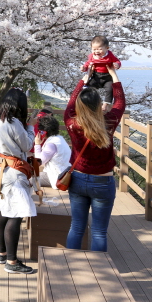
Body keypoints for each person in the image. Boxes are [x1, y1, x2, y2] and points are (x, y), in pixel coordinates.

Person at [64, 64, 125, 252]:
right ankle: (99, 272)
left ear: (79, 106)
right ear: (100, 104)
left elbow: (71, 102)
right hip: (103, 181)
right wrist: (113, 74)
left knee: (77, 227)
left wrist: (85, 77)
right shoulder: (109, 121)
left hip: (79, 179)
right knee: (99, 232)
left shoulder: (72, 122)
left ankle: (72, 266)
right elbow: (120, 102)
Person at [0, 88, 37, 274]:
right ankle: (12, 262)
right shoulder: (14, 122)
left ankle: (2, 254)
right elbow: (27, 145)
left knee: (3, 211)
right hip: (13, 172)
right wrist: (31, 127)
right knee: (16, 214)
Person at [81, 35, 122, 113]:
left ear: (107, 48)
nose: (96, 51)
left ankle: (106, 104)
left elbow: (117, 61)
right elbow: (87, 64)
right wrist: (84, 68)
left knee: (110, 89)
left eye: (99, 49)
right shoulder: (92, 56)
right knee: (89, 87)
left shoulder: (110, 55)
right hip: (96, 76)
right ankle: (92, 102)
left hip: (107, 77)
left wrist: (117, 65)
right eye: (94, 49)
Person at [33, 116, 71, 189]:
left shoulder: (51, 144)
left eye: (40, 131)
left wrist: (37, 145)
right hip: (63, 174)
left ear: (44, 132)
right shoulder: (59, 139)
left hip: (57, 177)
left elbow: (38, 162)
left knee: (26, 178)